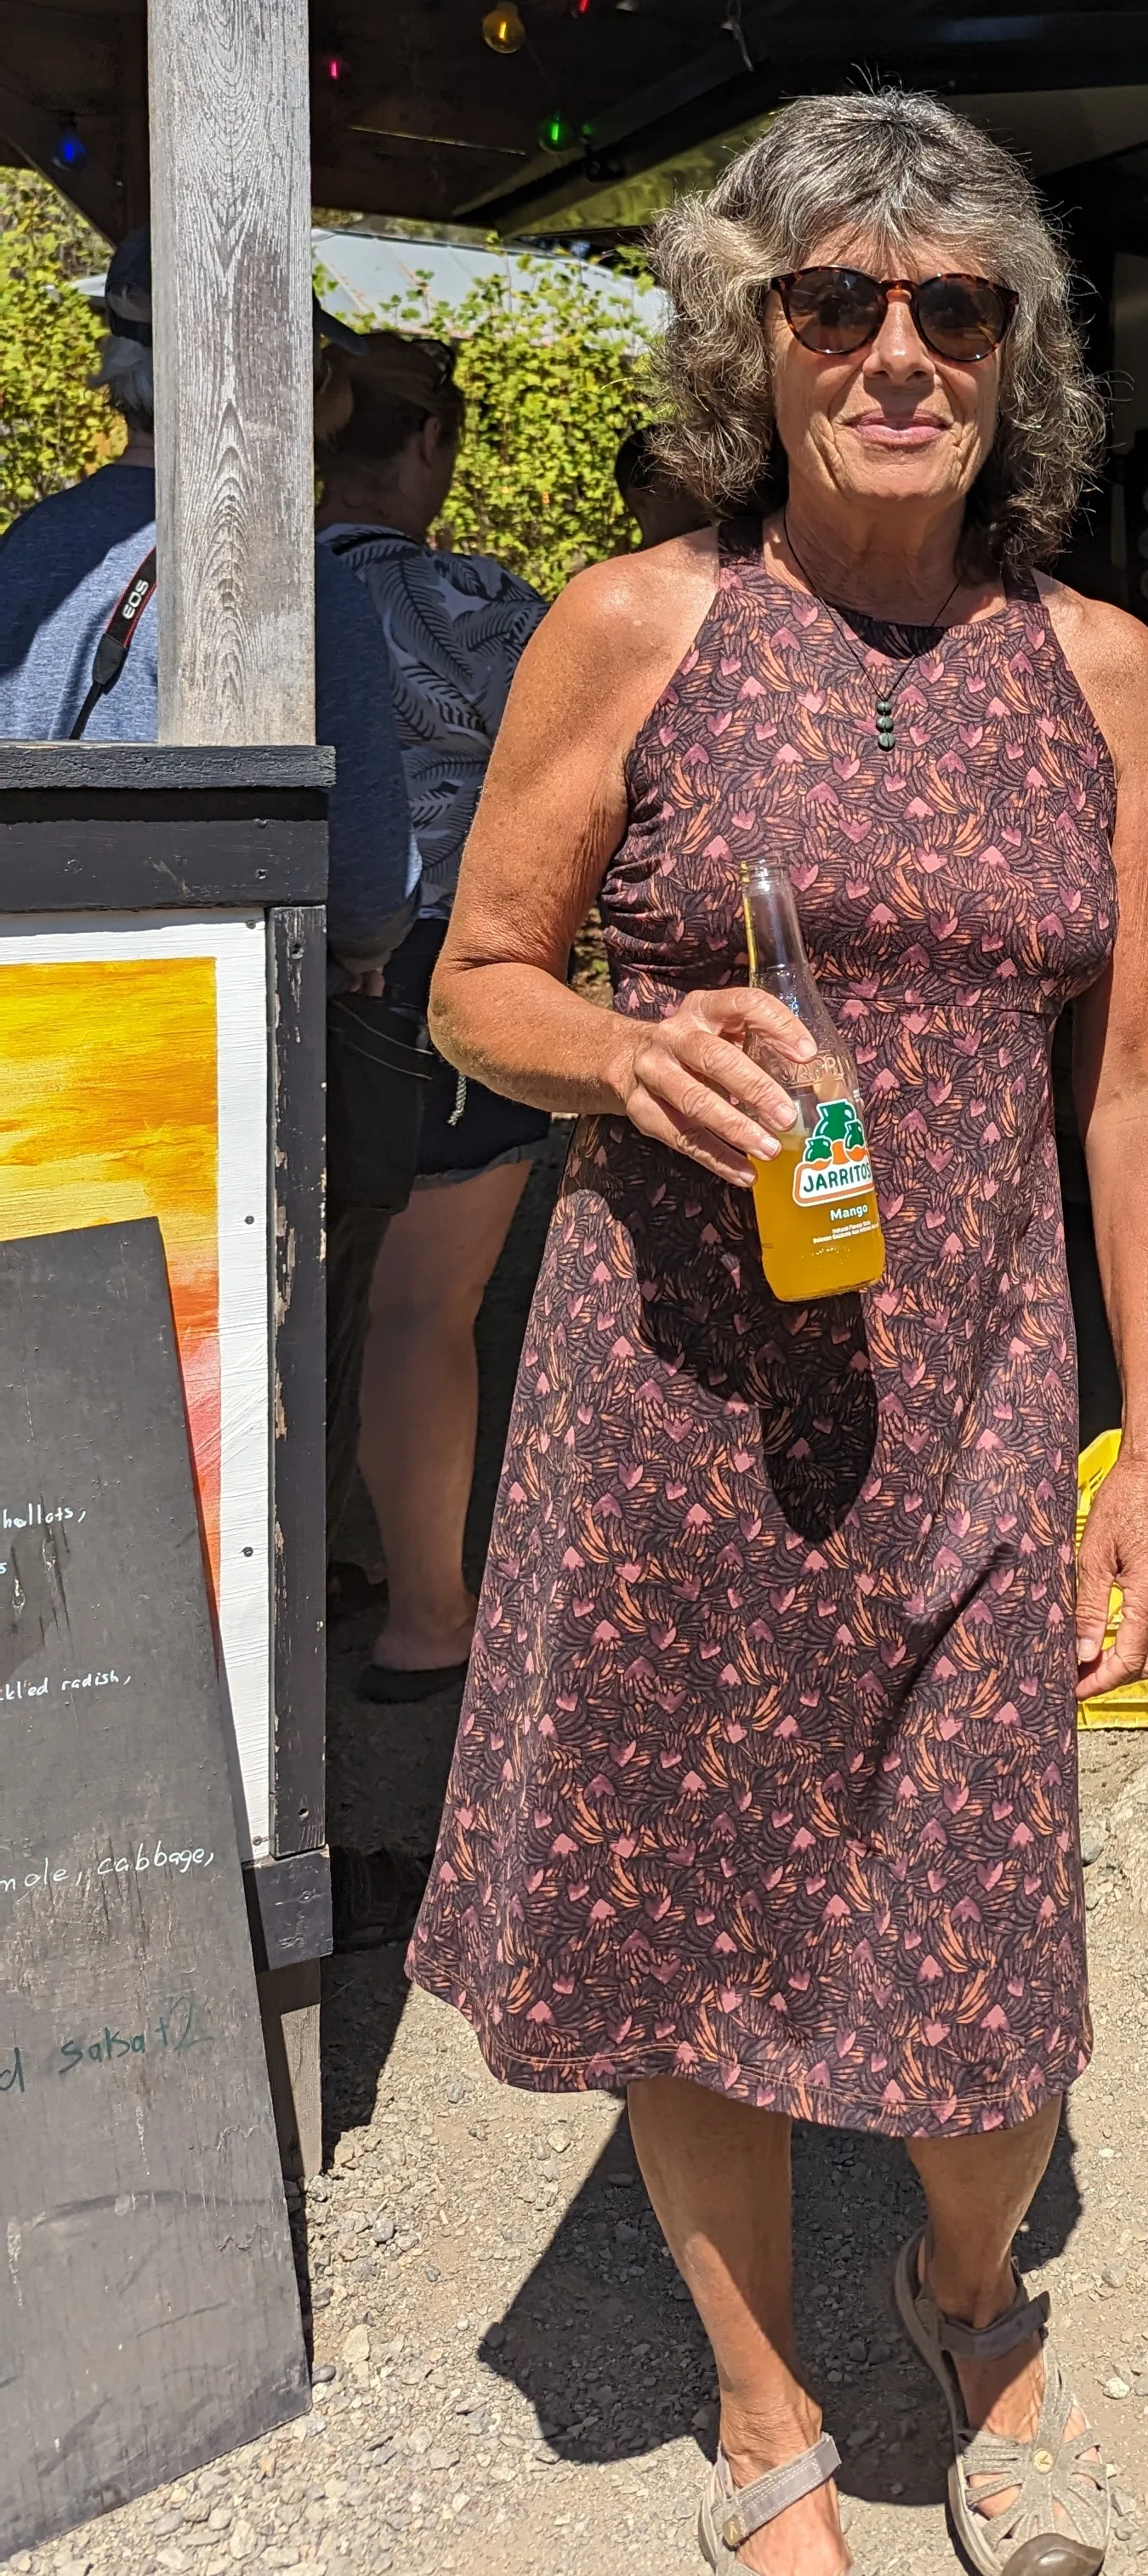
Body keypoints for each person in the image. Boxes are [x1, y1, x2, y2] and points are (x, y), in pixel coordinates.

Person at [410, 93, 1148, 2576]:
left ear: (1017, 356)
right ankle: (766, 2422)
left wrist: (1145, 1445)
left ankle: (963, 2306)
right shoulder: (638, 624)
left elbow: (1146, 1073)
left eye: (952, 308)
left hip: (972, 1416)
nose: (894, 353)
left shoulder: (1102, 672)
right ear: (757, 341)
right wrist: (626, 1060)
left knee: (983, 1972)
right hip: (668, 1415)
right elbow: (478, 975)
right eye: (835, 303)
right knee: (686, 1930)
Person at [317, 329, 551, 1703]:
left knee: (282, 1293)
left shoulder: (248, 591)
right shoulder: (485, 607)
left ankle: (282, 1587)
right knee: (423, 1311)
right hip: (443, 977)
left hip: (283, 966)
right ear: (427, 450)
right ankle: (425, 1619)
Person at [0, 229, 416, 977]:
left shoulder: (25, 547)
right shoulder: (297, 582)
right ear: (278, 367)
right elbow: (368, 893)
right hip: (201, 1029)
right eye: (318, 365)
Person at [616, 418, 709, 548]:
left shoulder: (730, 560)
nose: (703, 500)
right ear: (640, 501)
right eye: (680, 487)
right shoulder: (623, 568)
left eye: (704, 484)